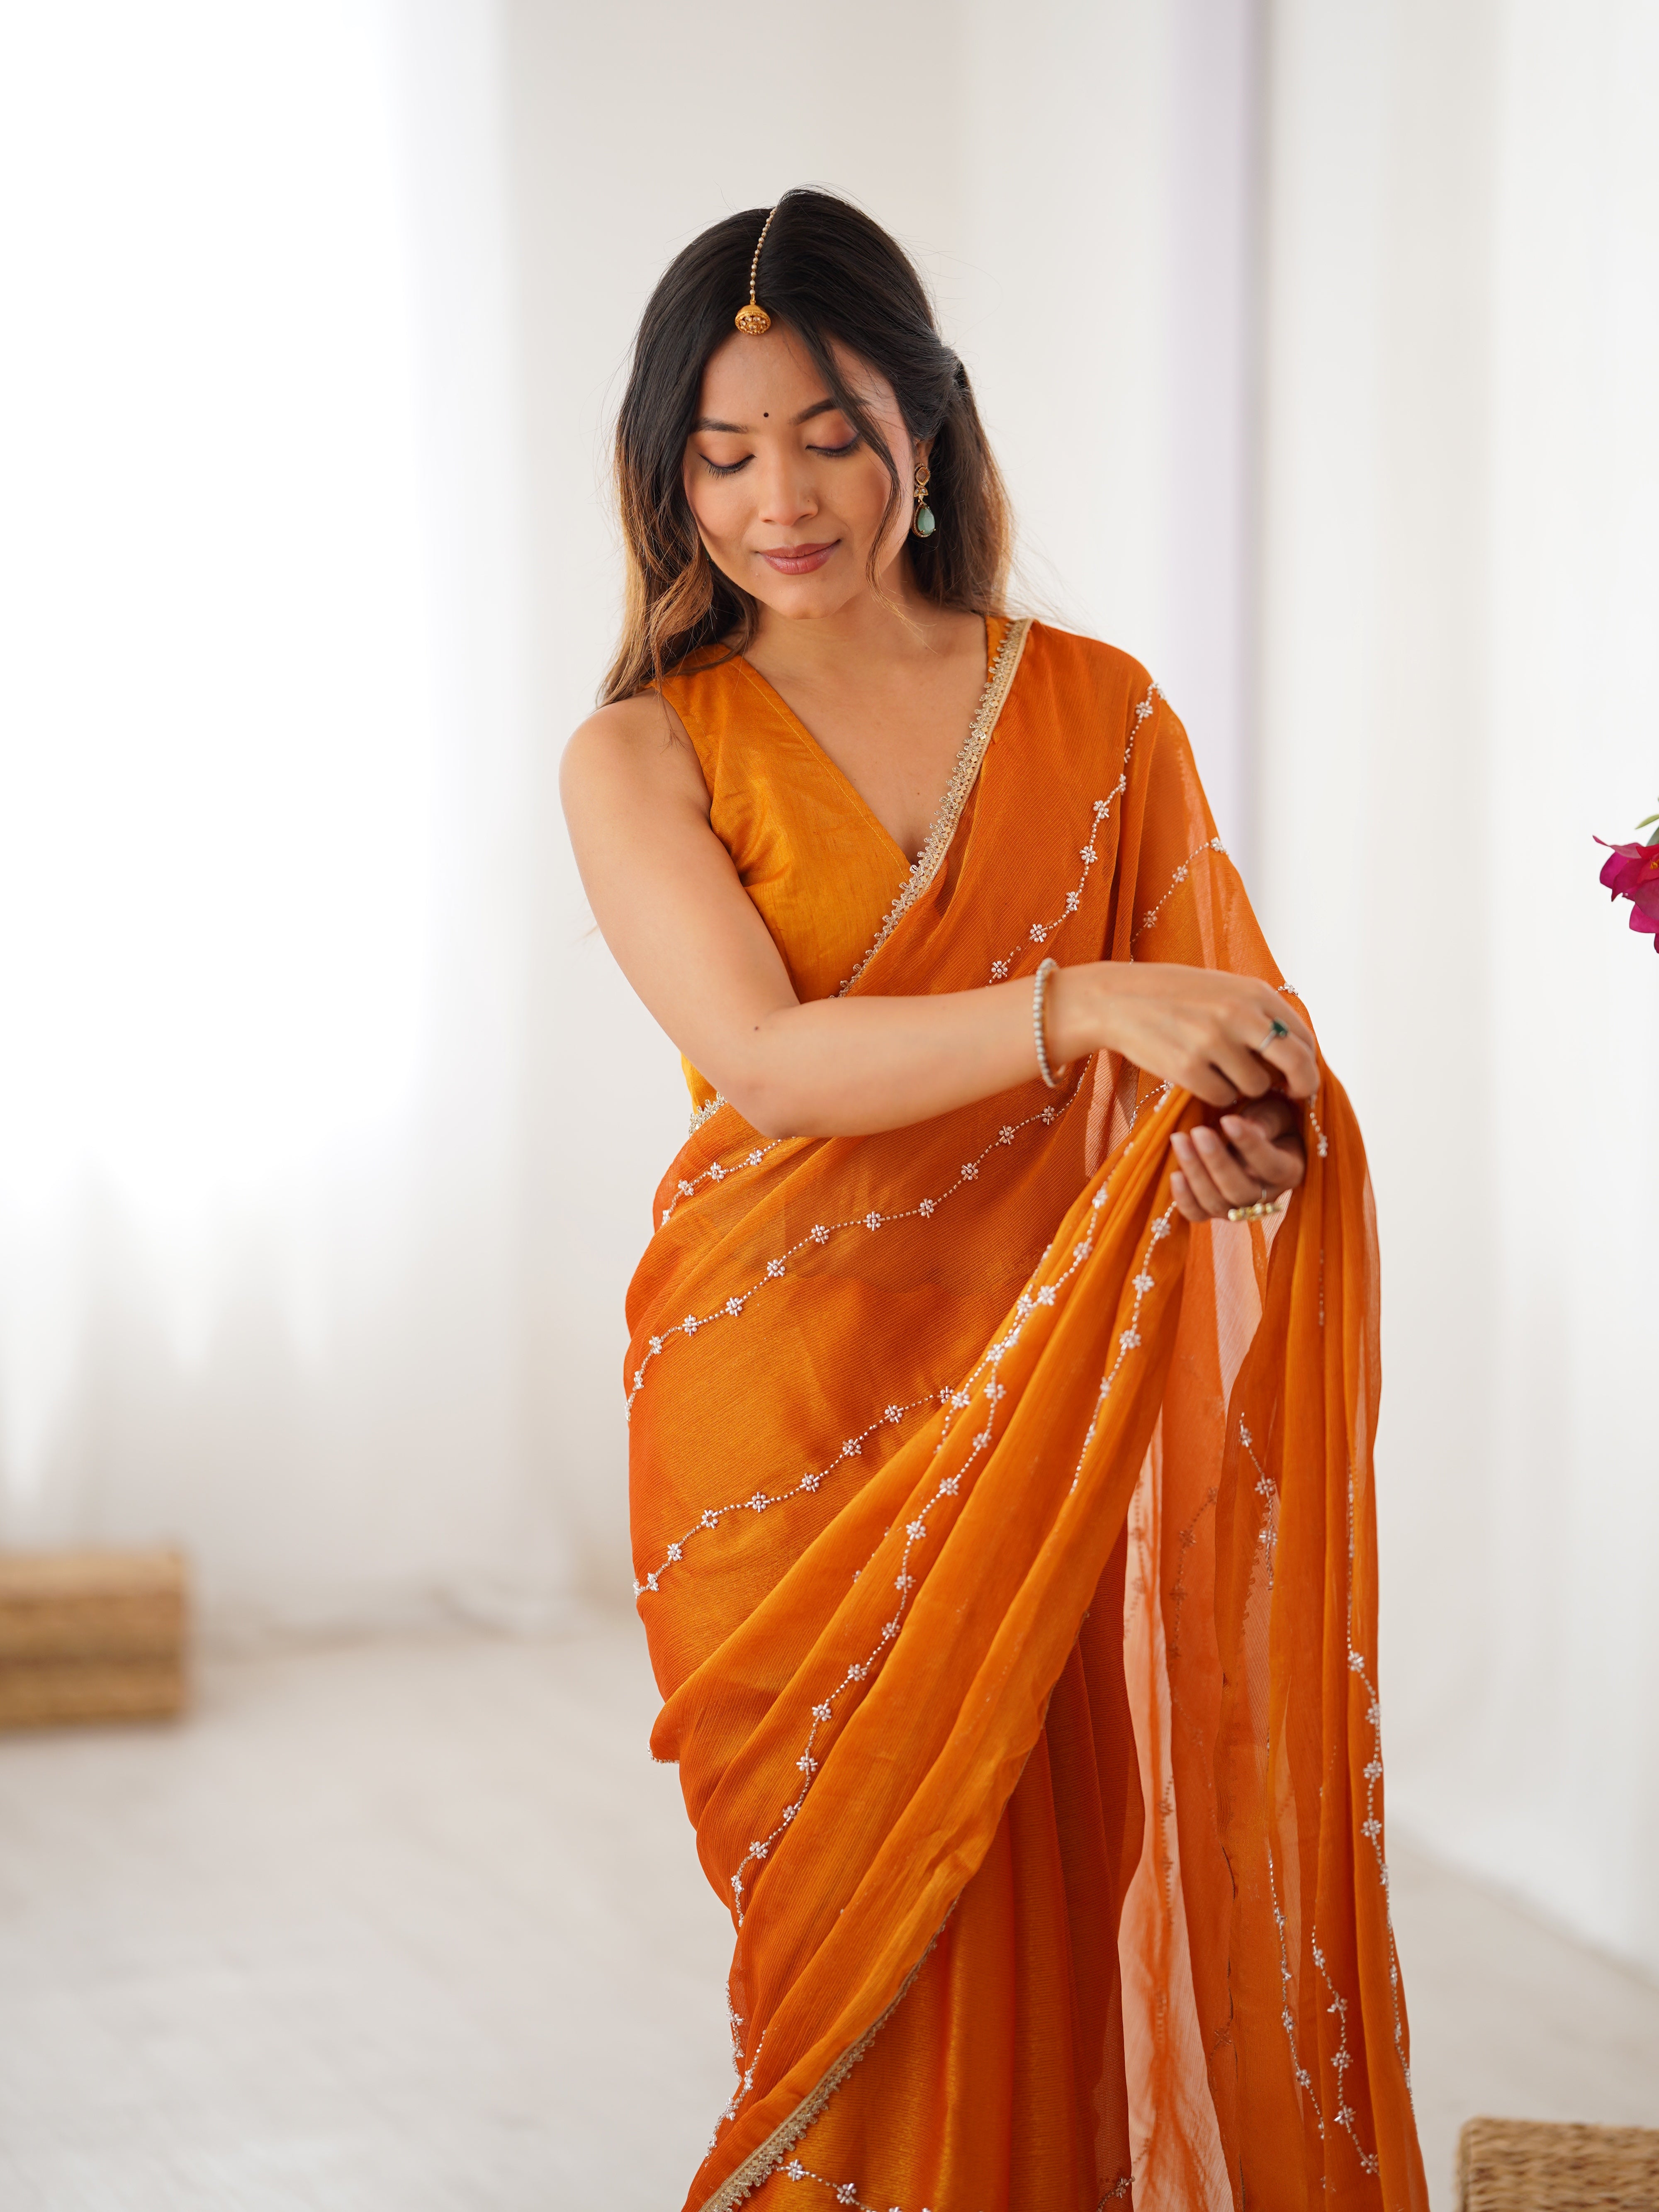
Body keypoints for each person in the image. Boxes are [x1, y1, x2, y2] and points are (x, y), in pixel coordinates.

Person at [562, 189, 1427, 2212]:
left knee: (1056, 1886)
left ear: (924, 432)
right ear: (666, 474)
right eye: (724, 449)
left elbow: (1229, 1061)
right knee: (848, 1965)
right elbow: (769, 1064)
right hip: (782, 1427)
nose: (783, 492)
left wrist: (1244, 1141)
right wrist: (1080, 1001)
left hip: (1049, 1417)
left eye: (832, 430)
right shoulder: (640, 755)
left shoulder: (1101, 712)